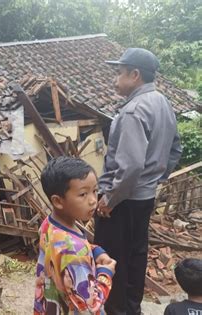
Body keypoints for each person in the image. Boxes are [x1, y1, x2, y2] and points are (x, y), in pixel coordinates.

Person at [94, 48, 182, 315]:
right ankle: (132, 308)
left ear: (135, 75)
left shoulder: (133, 110)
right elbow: (175, 150)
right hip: (143, 198)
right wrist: (155, 179)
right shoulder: (162, 102)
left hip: (123, 201)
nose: (115, 80)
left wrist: (109, 199)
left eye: (119, 74)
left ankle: (118, 310)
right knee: (136, 255)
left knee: (112, 259)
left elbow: (130, 166)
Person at [34, 157, 116, 314]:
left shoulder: (49, 224)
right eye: (83, 194)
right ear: (58, 201)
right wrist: (105, 273)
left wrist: (95, 251)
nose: (93, 200)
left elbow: (65, 246)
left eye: (95, 191)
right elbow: (90, 305)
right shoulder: (72, 251)